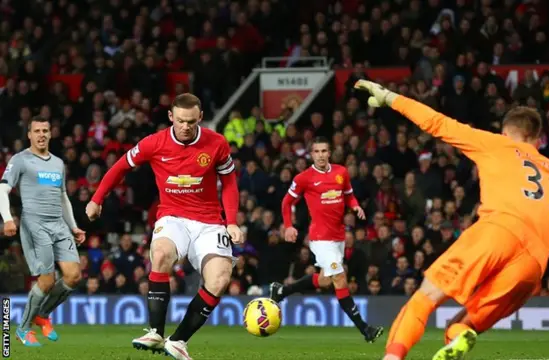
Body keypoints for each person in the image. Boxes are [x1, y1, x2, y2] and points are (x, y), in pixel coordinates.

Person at [354, 80, 549, 360]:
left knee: (425, 298)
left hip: (498, 232)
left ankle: (393, 357)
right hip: (533, 267)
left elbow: (437, 122)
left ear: (506, 132)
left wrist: (390, 97)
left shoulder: (497, 144)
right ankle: (460, 335)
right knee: (463, 323)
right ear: (538, 138)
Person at [85, 93, 242, 360]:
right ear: (171, 117)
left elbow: (229, 182)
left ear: (200, 118)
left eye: (191, 121)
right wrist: (96, 198)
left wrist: (233, 220)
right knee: (160, 255)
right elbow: (120, 167)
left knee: (220, 279)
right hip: (173, 217)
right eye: (180, 120)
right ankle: (155, 332)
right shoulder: (154, 143)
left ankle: (179, 341)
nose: (185, 126)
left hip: (210, 221)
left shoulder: (216, 143)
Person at [269, 137, 384, 343]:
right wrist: (288, 226)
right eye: (317, 151)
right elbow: (286, 202)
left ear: (329, 153)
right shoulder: (304, 178)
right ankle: (365, 329)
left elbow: (349, 195)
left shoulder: (341, 172)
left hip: (338, 237)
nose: (321, 155)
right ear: (311, 154)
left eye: (324, 151)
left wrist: (356, 206)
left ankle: (281, 290)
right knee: (340, 278)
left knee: (324, 280)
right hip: (320, 239)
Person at [0, 116, 85, 347]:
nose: (41, 134)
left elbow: (63, 197)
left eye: (45, 130)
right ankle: (23, 329)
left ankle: (43, 314)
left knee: (74, 276)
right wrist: (7, 219)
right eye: (36, 130)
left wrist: (73, 225)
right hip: (35, 225)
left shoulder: (57, 163)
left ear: (50, 133)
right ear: (29, 134)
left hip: (58, 224)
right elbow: (2, 189)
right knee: (47, 280)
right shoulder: (20, 160)